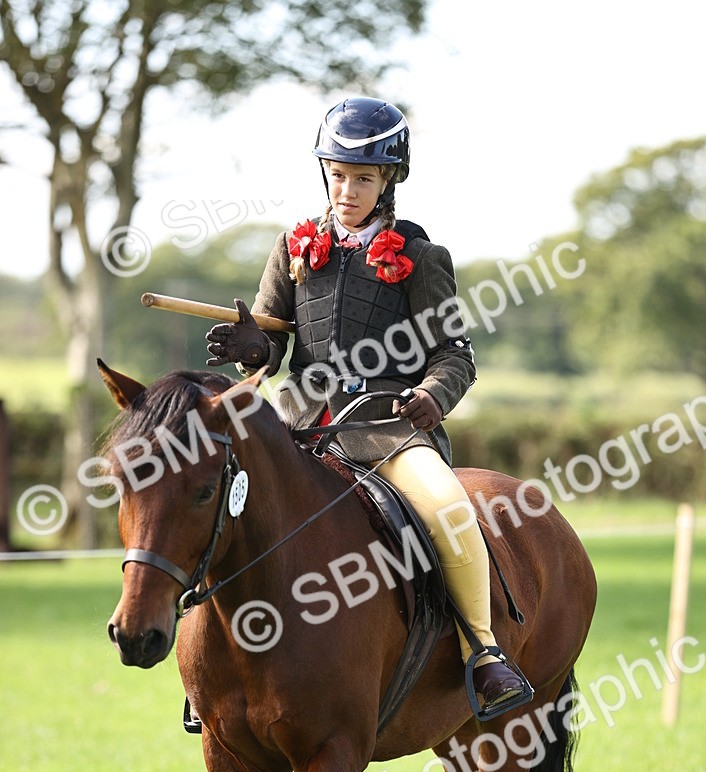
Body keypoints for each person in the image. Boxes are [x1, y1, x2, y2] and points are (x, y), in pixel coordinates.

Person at [206, 96, 530, 715]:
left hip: (388, 431)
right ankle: (209, 668)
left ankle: (484, 652)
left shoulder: (420, 258)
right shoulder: (294, 247)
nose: (346, 191)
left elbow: (454, 357)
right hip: (300, 425)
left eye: (362, 178)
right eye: (337, 175)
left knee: (450, 508)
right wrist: (256, 347)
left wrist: (432, 397)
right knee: (212, 498)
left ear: (388, 181)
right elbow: (271, 340)